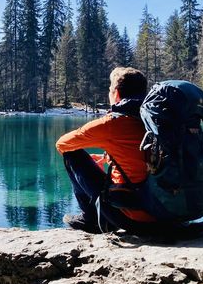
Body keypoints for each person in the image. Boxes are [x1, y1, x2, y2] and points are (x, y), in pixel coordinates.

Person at [56, 67, 158, 234]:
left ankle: (91, 219)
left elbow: (62, 144)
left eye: (110, 89)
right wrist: (109, 157)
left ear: (116, 93)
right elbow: (144, 158)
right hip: (173, 216)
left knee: (72, 154)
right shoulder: (159, 121)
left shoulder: (113, 123)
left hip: (136, 219)